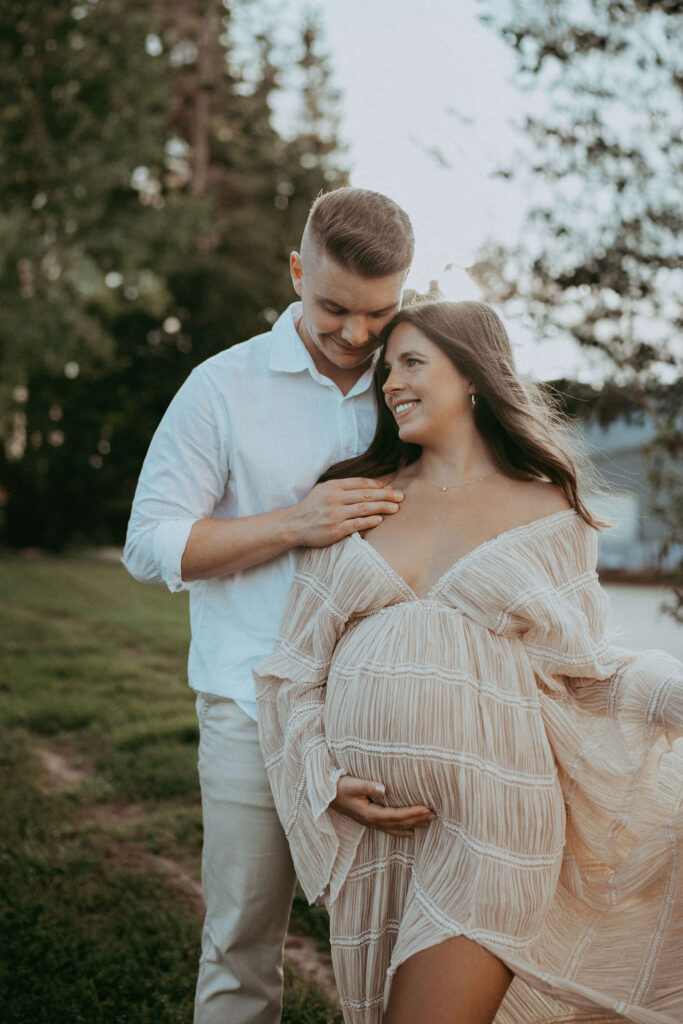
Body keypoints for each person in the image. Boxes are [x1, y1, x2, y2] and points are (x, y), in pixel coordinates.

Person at [254, 300, 683, 1024]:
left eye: (412, 362)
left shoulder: (550, 512)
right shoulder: (361, 497)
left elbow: (588, 667)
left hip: (496, 824)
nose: (390, 382)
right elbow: (292, 670)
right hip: (379, 832)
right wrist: (323, 777)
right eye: (387, 370)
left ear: (475, 377)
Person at [123, 187, 437, 1024]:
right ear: (297, 272)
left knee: (410, 946)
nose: (356, 335)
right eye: (334, 307)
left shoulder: (415, 387)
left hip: (395, 712)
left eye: (381, 313)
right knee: (241, 945)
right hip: (250, 707)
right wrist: (293, 525)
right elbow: (149, 542)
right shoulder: (220, 389)